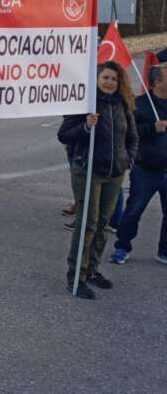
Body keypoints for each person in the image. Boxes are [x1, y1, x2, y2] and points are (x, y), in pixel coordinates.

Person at [58, 61, 138, 299]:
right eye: (105, 78)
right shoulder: (85, 104)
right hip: (88, 171)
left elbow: (132, 137)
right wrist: (85, 126)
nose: (110, 82)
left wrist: (127, 160)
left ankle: (92, 269)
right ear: (97, 79)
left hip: (114, 174)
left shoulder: (122, 104)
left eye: (114, 79)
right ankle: (76, 276)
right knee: (87, 223)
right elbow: (64, 135)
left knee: (103, 223)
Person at [111, 64, 167, 265]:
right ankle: (122, 247)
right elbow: (128, 132)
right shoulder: (139, 104)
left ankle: (164, 251)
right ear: (158, 82)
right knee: (134, 210)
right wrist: (153, 128)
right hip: (146, 170)